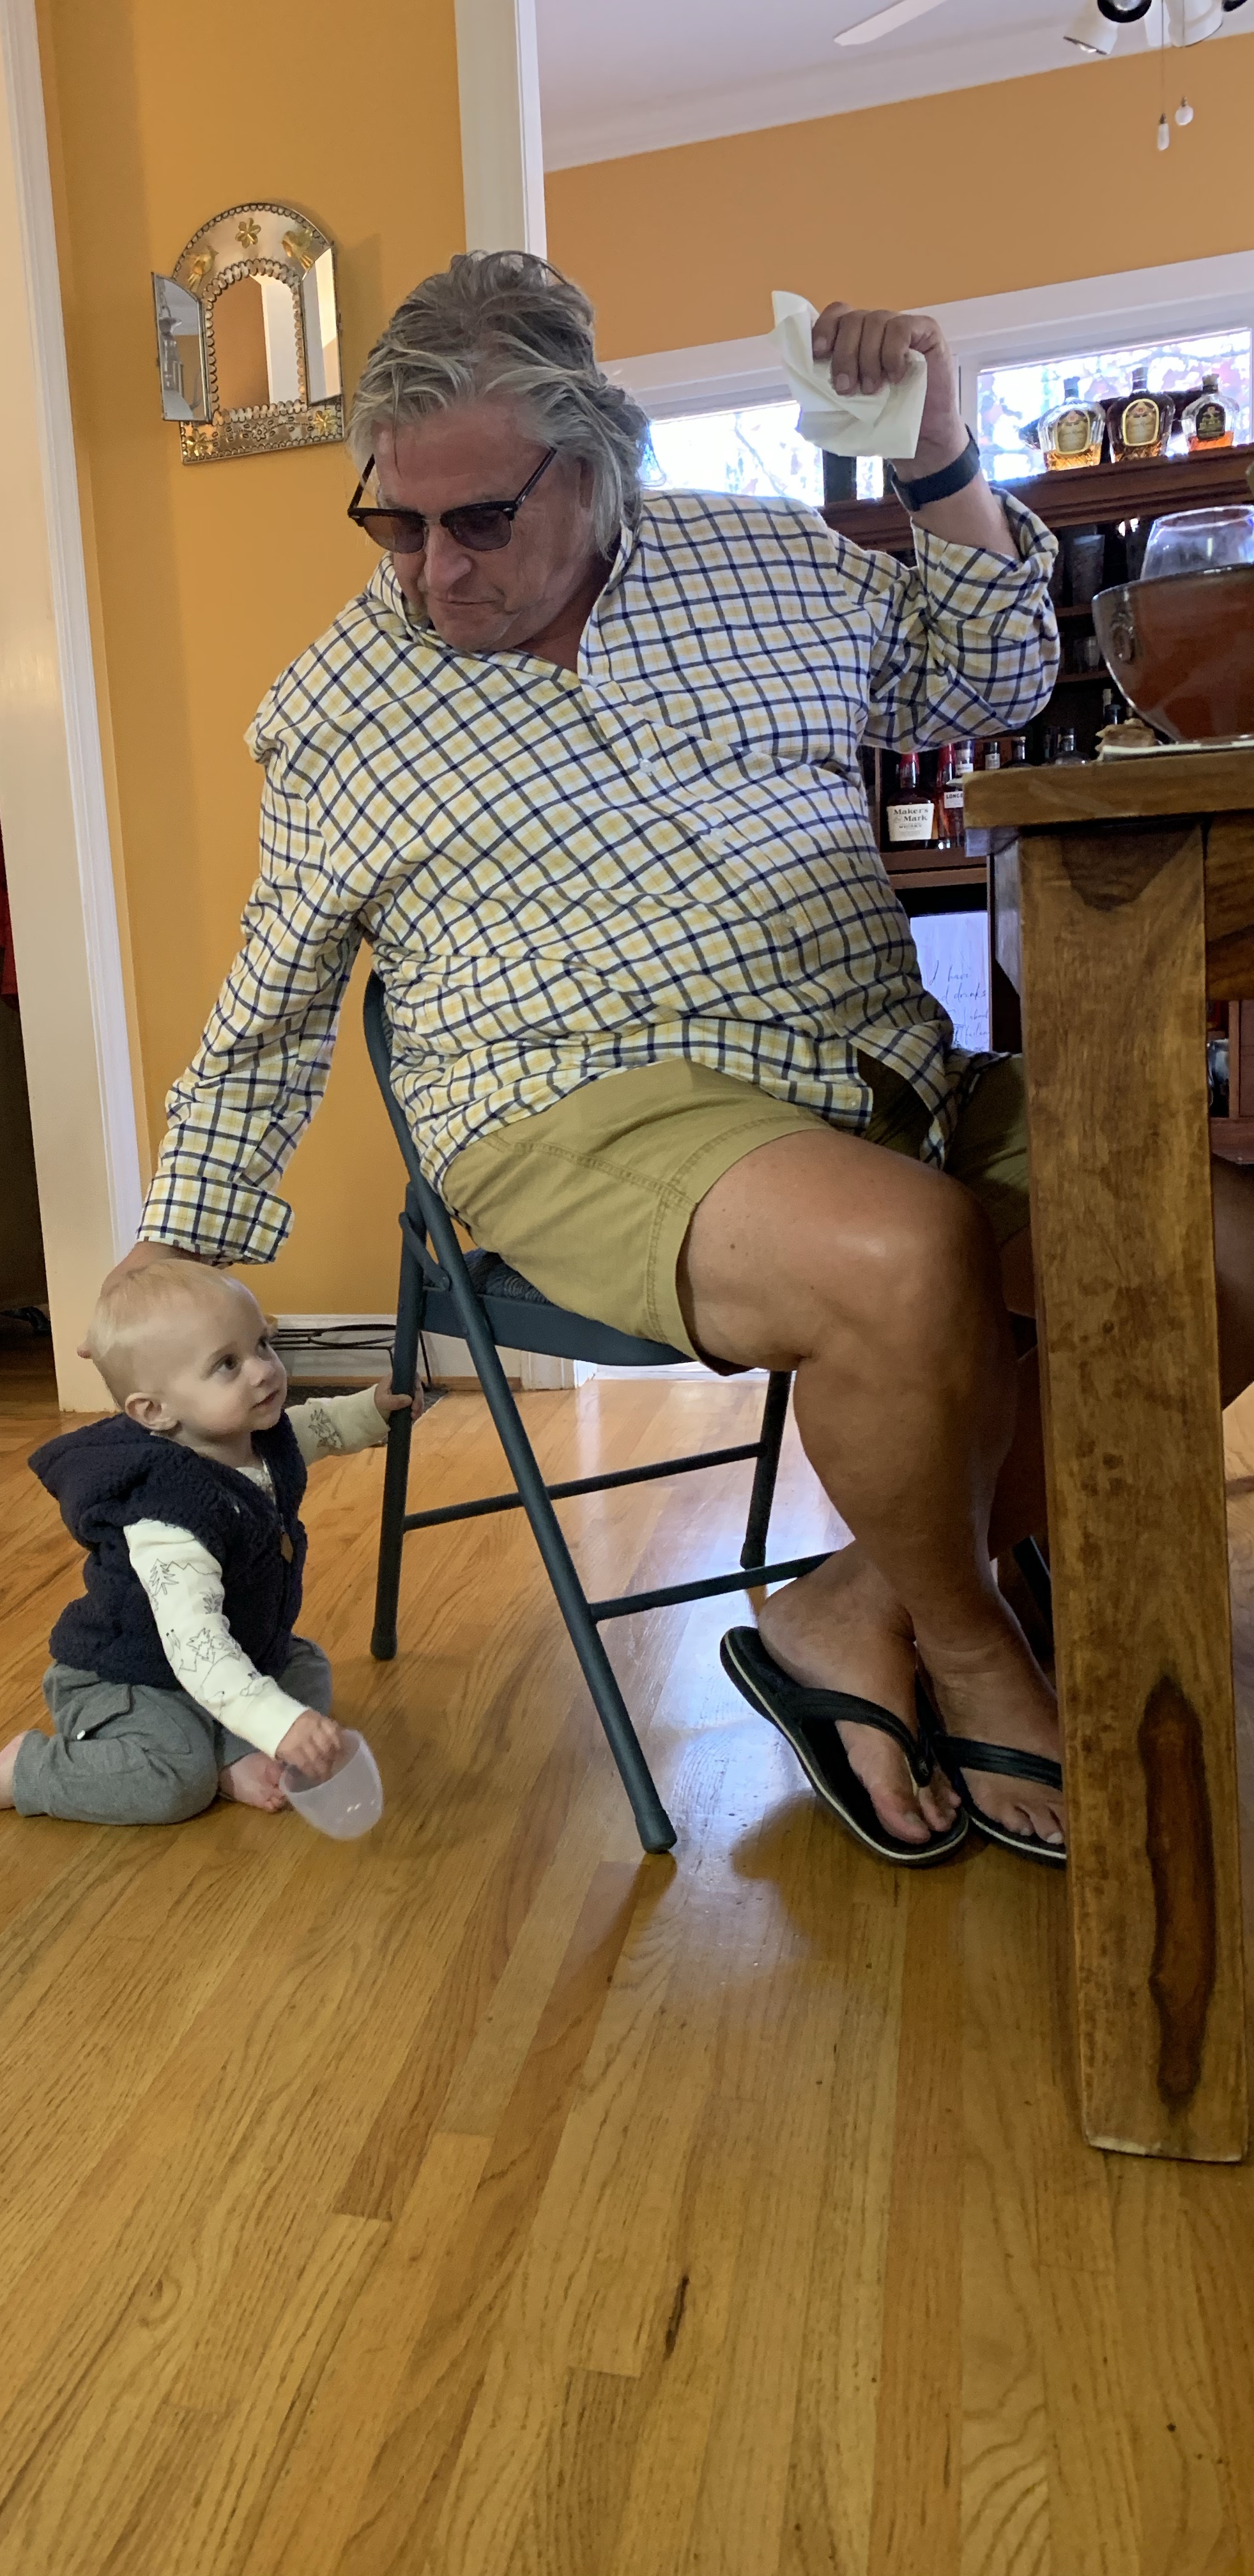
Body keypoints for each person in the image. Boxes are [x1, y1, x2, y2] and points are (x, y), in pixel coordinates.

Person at [103, 251, 1254, 1869]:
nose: (433, 572)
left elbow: (997, 675)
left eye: (478, 520)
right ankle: (975, 1646)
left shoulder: (773, 562)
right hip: (567, 1103)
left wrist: (939, 453)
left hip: (872, 1069)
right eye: (392, 525)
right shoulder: (339, 711)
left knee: (1226, 1246)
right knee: (899, 1253)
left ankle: (852, 1606)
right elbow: (273, 998)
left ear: (598, 466)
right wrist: (177, 1247)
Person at [0, 1263, 405, 1822]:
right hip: (133, 1677)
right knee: (176, 1781)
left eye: (261, 1344)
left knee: (305, 1666)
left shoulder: (253, 1438)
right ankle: (28, 1770)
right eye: (227, 1364)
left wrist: (371, 1410)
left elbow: (313, 1428)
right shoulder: (168, 1517)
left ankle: (234, 1755)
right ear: (154, 1411)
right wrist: (281, 1724)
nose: (263, 1370)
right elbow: (197, 1647)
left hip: (234, 1647)